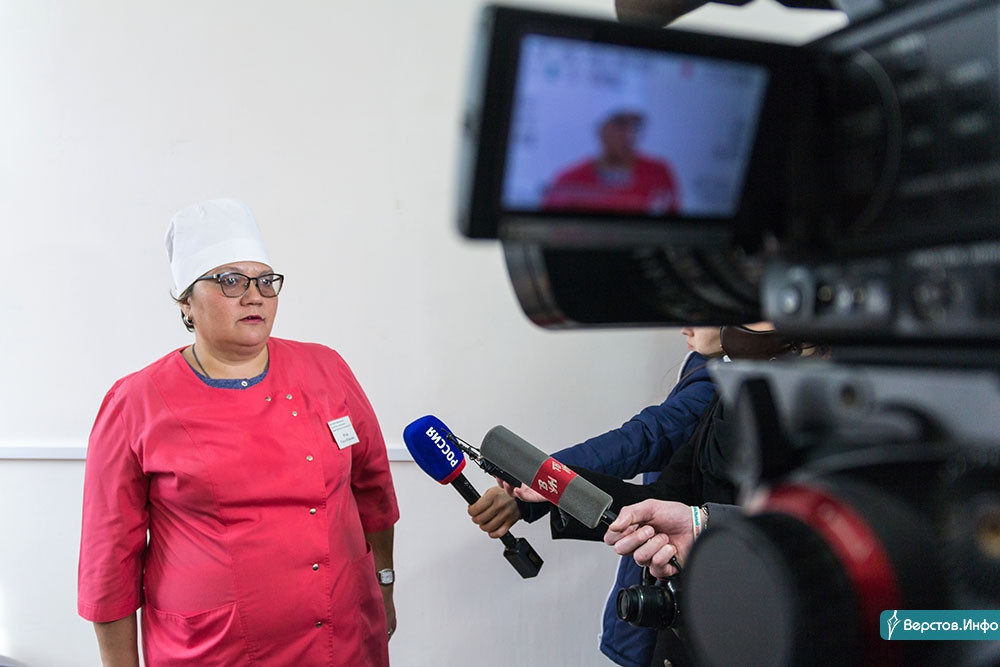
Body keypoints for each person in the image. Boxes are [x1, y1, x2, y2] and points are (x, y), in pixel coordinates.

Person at [77, 199, 400, 667]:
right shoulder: (135, 403)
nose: (255, 296)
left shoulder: (326, 369)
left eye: (266, 281)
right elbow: (109, 563)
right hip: (213, 649)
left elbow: (373, 490)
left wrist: (384, 581)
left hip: (343, 636)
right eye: (231, 281)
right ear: (186, 301)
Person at [509, 322, 816, 667]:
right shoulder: (730, 393)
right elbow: (663, 496)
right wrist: (561, 486)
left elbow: (809, 537)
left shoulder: (829, 412)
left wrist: (704, 524)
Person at [469, 326, 721, 667]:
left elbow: (644, 438)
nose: (685, 325)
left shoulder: (721, 382)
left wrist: (542, 482)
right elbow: (657, 492)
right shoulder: (707, 367)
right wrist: (540, 486)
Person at [541, 102, 680, 214]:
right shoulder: (570, 181)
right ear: (600, 129)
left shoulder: (658, 174)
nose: (628, 134)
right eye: (620, 124)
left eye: (635, 125)